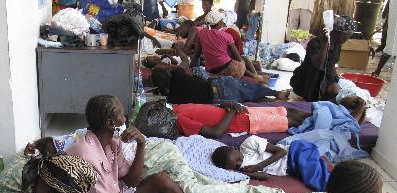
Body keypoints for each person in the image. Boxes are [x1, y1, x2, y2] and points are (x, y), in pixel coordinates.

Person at [66, 95, 266, 193]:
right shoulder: (87, 154)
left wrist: (142, 144)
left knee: (161, 179)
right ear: (110, 122)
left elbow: (131, 181)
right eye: (120, 114)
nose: (125, 117)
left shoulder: (112, 143)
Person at [174, 95, 367, 138]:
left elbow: (208, 113)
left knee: (289, 111)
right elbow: (216, 132)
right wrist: (231, 110)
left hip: (243, 112)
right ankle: (346, 122)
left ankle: (340, 116)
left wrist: (224, 105)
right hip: (247, 121)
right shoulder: (180, 120)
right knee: (292, 121)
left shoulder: (178, 107)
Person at [211, 136, 331, 191]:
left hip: (295, 153)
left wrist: (259, 166)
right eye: (235, 166)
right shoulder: (242, 169)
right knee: (320, 176)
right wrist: (240, 171)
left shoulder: (248, 144)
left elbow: (281, 151)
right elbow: (265, 176)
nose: (239, 163)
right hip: (293, 168)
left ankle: (340, 190)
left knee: (318, 181)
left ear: (234, 148)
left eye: (238, 159)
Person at [290, 15, 358, 101]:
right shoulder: (315, 43)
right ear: (340, 33)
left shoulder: (337, 44)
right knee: (330, 94)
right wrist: (326, 42)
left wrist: (335, 79)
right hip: (309, 79)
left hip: (325, 76)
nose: (348, 39)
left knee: (338, 91)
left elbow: (332, 64)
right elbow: (318, 65)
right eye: (347, 35)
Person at [151, 67, 290, 104]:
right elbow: (184, 67)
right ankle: (276, 93)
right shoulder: (177, 75)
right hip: (218, 85)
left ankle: (269, 100)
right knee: (250, 88)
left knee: (247, 100)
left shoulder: (171, 98)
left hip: (217, 100)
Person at [191, 11, 264, 82]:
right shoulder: (226, 36)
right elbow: (238, 57)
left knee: (238, 62)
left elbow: (196, 55)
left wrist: (190, 68)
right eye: (222, 20)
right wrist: (243, 64)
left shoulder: (201, 33)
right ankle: (255, 76)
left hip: (211, 70)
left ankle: (254, 75)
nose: (223, 22)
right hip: (228, 69)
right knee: (243, 60)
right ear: (219, 23)